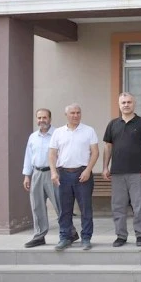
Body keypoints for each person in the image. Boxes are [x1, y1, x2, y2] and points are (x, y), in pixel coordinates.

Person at [102, 92, 141, 247]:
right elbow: (108, 146)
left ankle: (140, 235)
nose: (126, 105)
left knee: (139, 206)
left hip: (138, 172)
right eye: (123, 102)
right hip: (117, 173)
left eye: (129, 102)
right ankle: (121, 236)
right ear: (119, 105)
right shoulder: (113, 124)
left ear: (134, 104)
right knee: (118, 206)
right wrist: (105, 167)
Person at [22, 108, 77, 248]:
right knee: (37, 206)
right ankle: (39, 236)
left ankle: (70, 232)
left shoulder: (58, 134)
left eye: (44, 117)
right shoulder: (33, 137)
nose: (42, 120)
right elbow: (28, 156)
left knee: (60, 205)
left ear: (50, 119)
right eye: (39, 118)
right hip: (37, 173)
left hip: (54, 173)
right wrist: (27, 176)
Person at [49, 103, 99, 251]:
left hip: (82, 174)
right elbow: (52, 154)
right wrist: (53, 172)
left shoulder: (89, 131)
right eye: (72, 113)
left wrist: (88, 170)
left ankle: (86, 238)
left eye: (78, 112)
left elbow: (95, 152)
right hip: (63, 174)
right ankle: (65, 237)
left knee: (85, 208)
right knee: (64, 209)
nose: (75, 115)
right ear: (66, 115)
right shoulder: (58, 132)